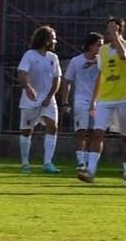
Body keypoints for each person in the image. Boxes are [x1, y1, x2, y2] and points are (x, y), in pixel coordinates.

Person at [78, 18, 126, 185]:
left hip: (125, 97)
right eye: (108, 30)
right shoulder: (103, 51)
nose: (109, 34)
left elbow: (123, 57)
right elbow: (101, 75)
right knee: (98, 133)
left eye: (113, 30)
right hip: (105, 98)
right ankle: (90, 171)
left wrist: (116, 38)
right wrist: (93, 100)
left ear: (120, 30)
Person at [17, 25, 62, 174]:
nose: (55, 41)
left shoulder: (53, 58)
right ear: (46, 40)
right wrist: (28, 88)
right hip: (30, 100)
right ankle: (25, 164)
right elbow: (22, 73)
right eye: (53, 38)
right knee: (26, 131)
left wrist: (50, 96)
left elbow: (57, 79)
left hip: (47, 100)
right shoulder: (29, 55)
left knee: (52, 126)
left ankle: (48, 163)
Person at [60, 32, 103, 171]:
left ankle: (90, 161)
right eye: (98, 45)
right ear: (90, 46)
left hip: (98, 101)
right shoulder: (76, 61)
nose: (101, 48)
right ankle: (81, 161)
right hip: (81, 100)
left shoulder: (102, 61)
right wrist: (65, 101)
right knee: (81, 131)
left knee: (95, 132)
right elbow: (67, 81)